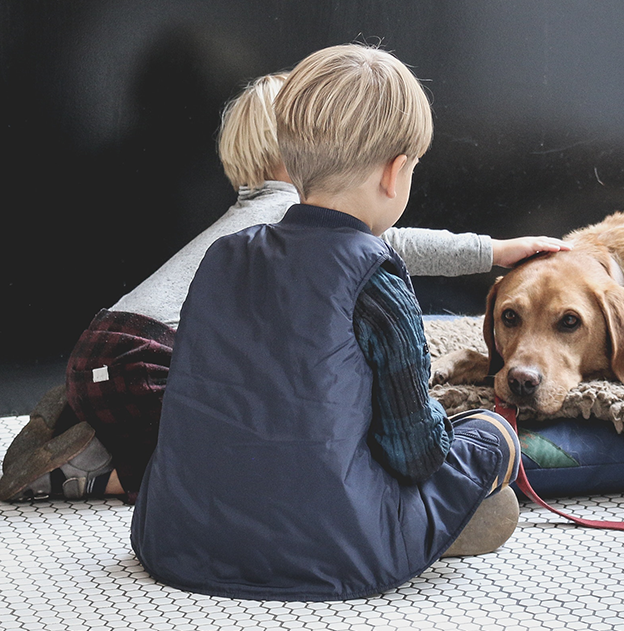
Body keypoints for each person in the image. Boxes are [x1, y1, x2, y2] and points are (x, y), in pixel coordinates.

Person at [0, 65, 570, 505]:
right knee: (204, 467)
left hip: (109, 344)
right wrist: (491, 250)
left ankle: (86, 426)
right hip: (151, 356)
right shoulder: (292, 216)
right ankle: (86, 476)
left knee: (187, 429)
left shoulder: (247, 222)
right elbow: (391, 244)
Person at [130, 43, 526, 601]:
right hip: (333, 547)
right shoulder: (376, 279)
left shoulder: (223, 255)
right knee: (489, 435)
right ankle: (434, 520)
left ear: (289, 164)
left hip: (178, 535)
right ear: (396, 174)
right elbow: (415, 452)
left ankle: (417, 519)